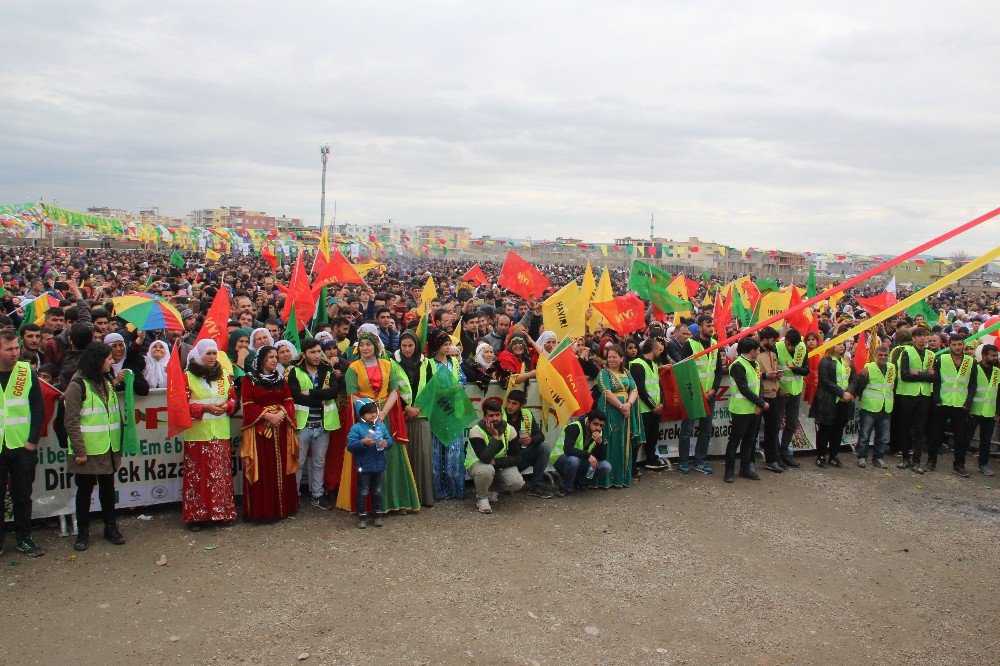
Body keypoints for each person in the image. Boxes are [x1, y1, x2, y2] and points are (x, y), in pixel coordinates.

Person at [338, 329, 419, 513]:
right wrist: (370, 413)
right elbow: (352, 397)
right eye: (362, 345)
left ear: (376, 346)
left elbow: (393, 392)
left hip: (385, 416)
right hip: (365, 417)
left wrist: (382, 412)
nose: (365, 348)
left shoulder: (387, 364)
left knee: (390, 456)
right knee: (369, 456)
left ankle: (395, 502)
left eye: (369, 344)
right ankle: (367, 506)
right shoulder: (353, 368)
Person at [63, 342, 126, 551]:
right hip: (88, 451)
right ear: (98, 361)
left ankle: (110, 527)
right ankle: (83, 532)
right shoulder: (77, 385)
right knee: (85, 491)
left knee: (108, 489)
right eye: (108, 358)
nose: (112, 361)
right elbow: (71, 421)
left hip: (108, 447)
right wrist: (80, 450)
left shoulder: (106, 380)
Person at [182, 339, 238, 530]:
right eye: (208, 353)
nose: (212, 357)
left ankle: (222, 512)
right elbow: (181, 406)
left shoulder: (224, 375)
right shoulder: (187, 376)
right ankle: (197, 517)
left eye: (214, 353)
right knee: (198, 476)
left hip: (220, 433)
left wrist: (227, 406)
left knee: (220, 475)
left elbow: (233, 400)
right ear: (199, 355)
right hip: (198, 434)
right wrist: (204, 408)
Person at [240, 345, 300, 521]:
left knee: (281, 466)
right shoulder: (249, 380)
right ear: (261, 360)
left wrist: (282, 413)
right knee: (264, 468)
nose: (274, 360)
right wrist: (267, 416)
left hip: (280, 428)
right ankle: (264, 511)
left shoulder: (280, 379)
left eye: (275, 357)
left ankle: (283, 508)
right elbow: (248, 405)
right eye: (270, 357)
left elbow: (288, 400)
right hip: (260, 432)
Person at [0, 330, 45, 557]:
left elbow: (38, 408)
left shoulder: (25, 372)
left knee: (22, 495)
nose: (15, 353)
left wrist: (31, 441)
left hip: (21, 446)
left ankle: (23, 538)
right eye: (9, 349)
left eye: (16, 348)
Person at [287, 338, 342, 509]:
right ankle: (293, 496)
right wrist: (320, 398)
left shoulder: (327, 370)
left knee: (319, 462)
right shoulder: (294, 371)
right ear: (304, 354)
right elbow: (296, 396)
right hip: (303, 425)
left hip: (323, 423)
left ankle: (317, 495)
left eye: (319, 351)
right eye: (313, 352)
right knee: (299, 462)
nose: (317, 355)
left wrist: (310, 392)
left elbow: (333, 391)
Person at [392, 331, 435, 507]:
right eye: (404, 346)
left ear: (416, 345)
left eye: (411, 345)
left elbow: (431, 388)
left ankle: (423, 497)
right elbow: (391, 389)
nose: (408, 349)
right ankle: (405, 499)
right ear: (399, 347)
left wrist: (417, 408)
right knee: (404, 458)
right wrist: (406, 408)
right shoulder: (392, 363)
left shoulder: (427, 363)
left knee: (423, 456)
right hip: (401, 416)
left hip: (421, 415)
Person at [425, 329, 468, 500]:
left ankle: (454, 488)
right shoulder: (428, 364)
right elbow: (426, 386)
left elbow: (462, 381)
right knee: (436, 453)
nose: (448, 347)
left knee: (454, 452)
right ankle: (438, 489)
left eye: (449, 344)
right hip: (437, 412)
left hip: (453, 411)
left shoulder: (455, 363)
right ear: (437, 346)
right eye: (445, 344)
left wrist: (455, 389)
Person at [677, 315, 723, 474]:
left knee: (706, 429)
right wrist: (698, 391)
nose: (711, 328)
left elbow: (718, 371)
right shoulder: (689, 344)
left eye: (712, 325)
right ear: (700, 327)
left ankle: (700, 460)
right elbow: (685, 371)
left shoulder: (716, 344)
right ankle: (683, 461)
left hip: (710, 395)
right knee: (687, 430)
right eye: (708, 325)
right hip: (693, 394)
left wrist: (713, 390)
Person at [929, 332, 977, 477]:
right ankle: (931, 461)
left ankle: (959, 465)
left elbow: (973, 384)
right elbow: (936, 380)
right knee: (935, 434)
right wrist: (936, 399)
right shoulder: (941, 359)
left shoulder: (970, 361)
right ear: (949, 346)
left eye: (959, 344)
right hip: (942, 402)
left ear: (963, 345)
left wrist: (968, 403)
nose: (957, 347)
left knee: (961, 437)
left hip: (960, 404)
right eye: (954, 344)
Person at [465, 397, 524, 514]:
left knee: (517, 482)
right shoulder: (476, 431)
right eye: (491, 416)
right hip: (477, 464)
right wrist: (495, 437)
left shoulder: (509, 429)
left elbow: (517, 457)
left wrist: (497, 462)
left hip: (496, 464)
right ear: (485, 417)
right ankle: (482, 498)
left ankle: (493, 490)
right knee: (486, 470)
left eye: (497, 415)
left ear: (501, 415)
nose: (495, 418)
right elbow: (485, 458)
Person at [593, 344, 641, 487]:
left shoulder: (627, 372)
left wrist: (629, 405)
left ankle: (621, 478)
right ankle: (607, 479)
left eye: (615, 357)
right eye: (609, 357)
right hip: (611, 412)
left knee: (623, 442)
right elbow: (606, 392)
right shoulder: (604, 373)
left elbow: (634, 389)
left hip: (625, 413)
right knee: (610, 442)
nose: (611, 359)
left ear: (622, 358)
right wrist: (621, 406)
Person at [725, 336, 767, 483]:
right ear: (752, 350)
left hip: (754, 409)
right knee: (735, 441)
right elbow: (743, 389)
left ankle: (745, 468)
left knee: (749, 441)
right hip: (740, 410)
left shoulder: (754, 364)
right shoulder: (738, 365)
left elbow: (759, 384)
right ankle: (729, 471)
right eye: (757, 350)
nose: (759, 352)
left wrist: (759, 403)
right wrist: (760, 402)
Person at [346, 398, 393, 528]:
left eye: (374, 411)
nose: (373, 415)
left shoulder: (381, 426)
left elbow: (389, 441)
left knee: (377, 491)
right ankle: (361, 516)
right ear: (362, 414)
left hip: (379, 465)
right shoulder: (356, 428)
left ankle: (378, 514)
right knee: (363, 491)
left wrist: (386, 443)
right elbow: (350, 446)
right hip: (364, 466)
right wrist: (363, 442)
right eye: (369, 412)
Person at [894, 327, 936, 474]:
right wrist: (925, 374)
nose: (923, 339)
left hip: (924, 395)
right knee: (905, 427)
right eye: (919, 336)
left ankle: (916, 460)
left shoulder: (931, 354)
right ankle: (905, 458)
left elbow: (934, 376)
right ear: (913, 339)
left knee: (920, 429)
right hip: (906, 394)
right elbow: (904, 375)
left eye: (925, 336)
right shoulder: (906, 352)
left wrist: (918, 373)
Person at [810, 342, 856, 468]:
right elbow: (825, 381)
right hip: (828, 400)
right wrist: (842, 393)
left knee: (838, 429)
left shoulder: (847, 361)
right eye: (838, 344)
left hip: (844, 401)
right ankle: (821, 456)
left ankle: (833, 456)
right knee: (825, 429)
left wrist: (848, 392)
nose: (841, 347)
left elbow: (853, 379)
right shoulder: (825, 361)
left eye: (843, 344)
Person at [849, 345, 895, 469]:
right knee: (865, 434)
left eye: (886, 355)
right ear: (875, 355)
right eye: (880, 355)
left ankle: (878, 458)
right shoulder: (868, 368)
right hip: (870, 406)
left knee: (882, 436)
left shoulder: (892, 368)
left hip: (886, 406)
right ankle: (862, 457)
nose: (883, 357)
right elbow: (860, 385)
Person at [628, 338, 668, 471]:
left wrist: (662, 402)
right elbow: (640, 389)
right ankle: (631, 466)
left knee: (653, 436)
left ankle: (651, 459)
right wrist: (653, 406)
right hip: (643, 409)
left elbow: (658, 385)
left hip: (654, 409)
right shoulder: (637, 364)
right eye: (658, 348)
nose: (660, 351)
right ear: (654, 349)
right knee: (638, 439)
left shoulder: (653, 364)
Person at [505, 389, 553, 499]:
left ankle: (535, 486)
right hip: (504, 460)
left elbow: (540, 436)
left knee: (544, 447)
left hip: (520, 457)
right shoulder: (501, 415)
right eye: (509, 402)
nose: (510, 406)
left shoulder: (527, 414)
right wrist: (517, 440)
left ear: (522, 405)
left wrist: (531, 439)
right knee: (511, 483)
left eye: (514, 404)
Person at [550, 410, 611, 493]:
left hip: (579, 460)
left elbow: (601, 458)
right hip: (560, 459)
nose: (598, 428)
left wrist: (600, 443)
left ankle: (581, 483)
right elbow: (568, 449)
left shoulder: (598, 433)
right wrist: (588, 456)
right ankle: (565, 488)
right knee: (574, 460)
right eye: (595, 424)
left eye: (601, 425)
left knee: (606, 466)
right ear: (588, 422)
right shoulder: (574, 427)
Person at [773, 328, 809, 467]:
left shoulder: (802, 348)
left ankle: (784, 451)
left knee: (792, 424)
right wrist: (779, 389)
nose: (791, 348)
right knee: (776, 424)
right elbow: (771, 370)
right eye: (789, 344)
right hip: (781, 392)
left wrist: (795, 369)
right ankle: (775, 454)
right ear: (785, 340)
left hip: (795, 391)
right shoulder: (777, 347)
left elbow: (806, 370)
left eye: (793, 346)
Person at [756, 328, 787, 473]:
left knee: (773, 429)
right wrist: (765, 375)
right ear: (765, 339)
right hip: (760, 395)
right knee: (753, 430)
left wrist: (777, 379)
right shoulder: (755, 353)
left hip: (774, 394)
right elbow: (752, 374)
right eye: (773, 340)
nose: (775, 342)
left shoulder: (773, 353)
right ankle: (749, 462)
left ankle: (772, 459)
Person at [966, 344, 998, 476]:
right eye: (992, 355)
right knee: (966, 437)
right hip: (974, 410)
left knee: (986, 440)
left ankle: (983, 464)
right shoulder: (975, 368)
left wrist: (998, 411)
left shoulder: (997, 371)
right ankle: (959, 463)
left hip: (990, 411)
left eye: (996, 355)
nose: (995, 358)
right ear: (984, 356)